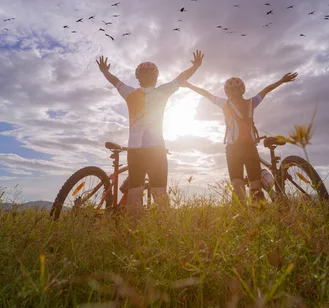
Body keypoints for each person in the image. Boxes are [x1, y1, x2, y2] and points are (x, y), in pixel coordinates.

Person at [96, 50, 204, 214]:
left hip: (135, 149)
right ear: (156, 78)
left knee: (135, 191)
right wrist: (195, 66)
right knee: (159, 190)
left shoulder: (131, 93)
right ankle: (164, 231)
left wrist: (105, 71)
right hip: (156, 148)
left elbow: (115, 81)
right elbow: (181, 77)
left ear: (138, 79)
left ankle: (133, 231)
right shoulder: (162, 91)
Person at [182, 71, 298, 203]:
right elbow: (266, 90)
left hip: (233, 150)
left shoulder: (224, 104)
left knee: (238, 187)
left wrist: (189, 85)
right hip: (250, 148)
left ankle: (244, 218)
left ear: (227, 93)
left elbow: (206, 94)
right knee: (255, 187)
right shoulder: (251, 103)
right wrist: (282, 80)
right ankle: (260, 217)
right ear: (243, 90)